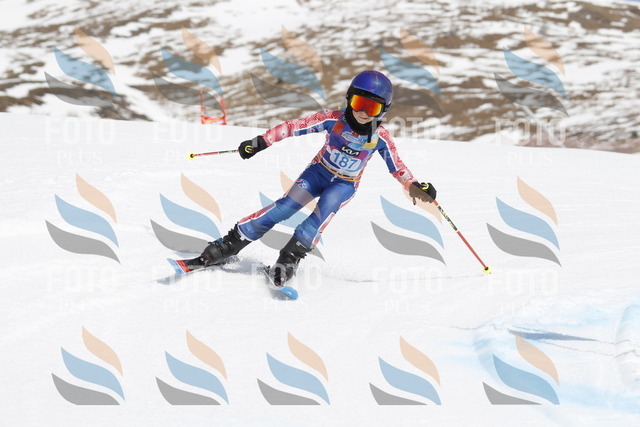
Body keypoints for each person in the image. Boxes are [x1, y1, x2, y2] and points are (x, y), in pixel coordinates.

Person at [180, 70, 437, 286]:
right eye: (360, 103)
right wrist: (261, 141)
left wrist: (414, 185)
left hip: (344, 185)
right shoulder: (333, 119)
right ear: (349, 99)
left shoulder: (381, 137)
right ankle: (227, 246)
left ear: (383, 110)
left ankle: (288, 260)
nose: (363, 112)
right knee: (283, 209)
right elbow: (294, 127)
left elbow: (397, 167)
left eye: (373, 108)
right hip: (318, 173)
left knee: (316, 220)